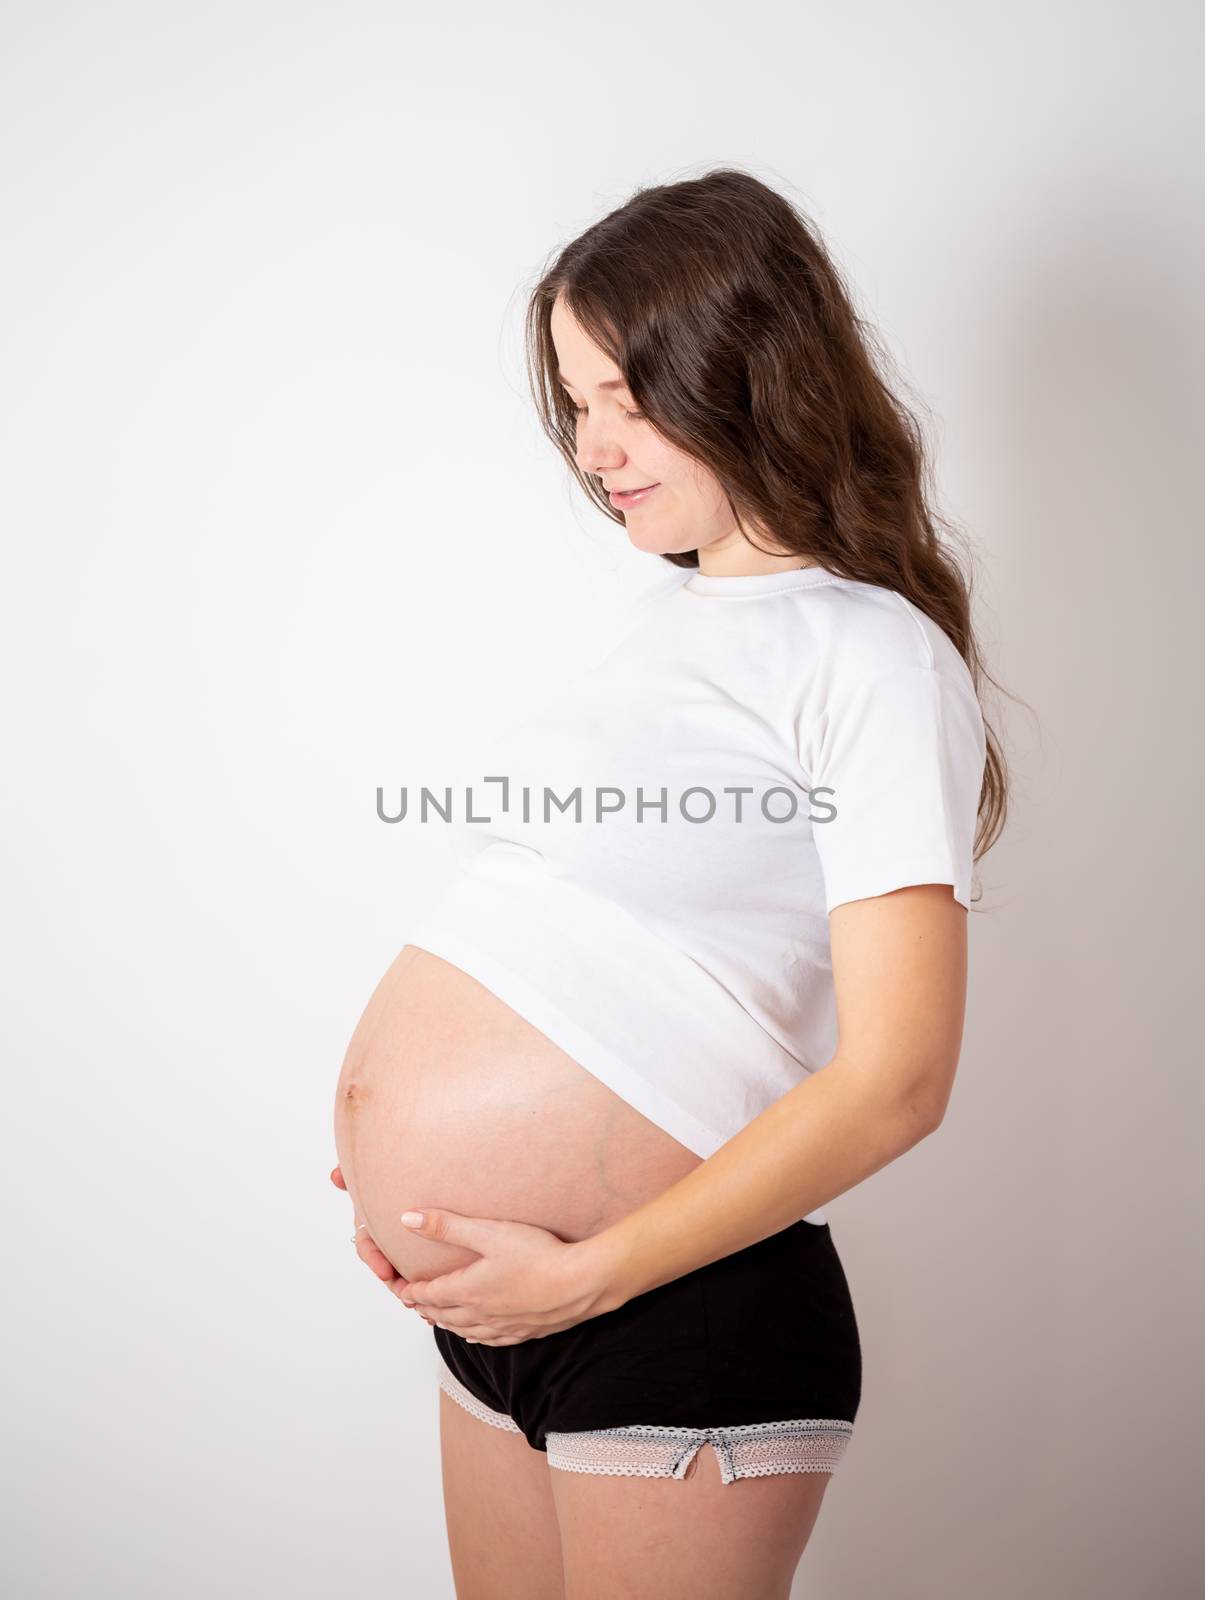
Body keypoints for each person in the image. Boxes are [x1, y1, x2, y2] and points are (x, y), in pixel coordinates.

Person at [330, 166, 1010, 1600]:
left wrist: (585, 1270)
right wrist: (409, 1182)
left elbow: (899, 1080)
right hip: (496, 1318)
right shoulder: (665, 624)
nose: (593, 447)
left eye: (627, 398)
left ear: (746, 369)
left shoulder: (870, 656)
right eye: (577, 404)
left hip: (667, 1315)